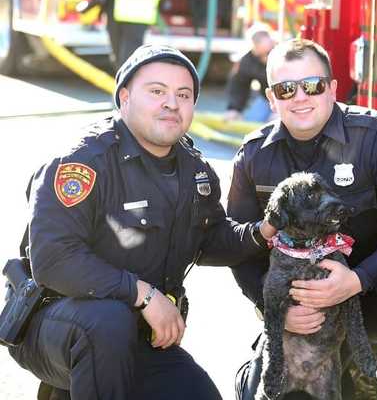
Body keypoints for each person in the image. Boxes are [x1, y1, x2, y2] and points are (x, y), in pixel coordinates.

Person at [8, 45, 270, 400]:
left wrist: (263, 231)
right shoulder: (82, 163)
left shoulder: (195, 171)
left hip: (139, 337)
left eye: (183, 94)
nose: (172, 103)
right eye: (157, 91)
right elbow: (54, 260)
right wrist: (143, 294)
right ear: (124, 97)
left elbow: (210, 240)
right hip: (57, 326)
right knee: (105, 324)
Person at [228, 38, 377, 400]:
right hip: (301, 310)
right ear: (270, 97)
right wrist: (274, 310)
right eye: (286, 89)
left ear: (332, 88)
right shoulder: (254, 156)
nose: (300, 97)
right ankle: (253, 373)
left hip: (372, 293)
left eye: (312, 85)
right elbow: (239, 244)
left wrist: (358, 280)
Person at [224, 24, 276, 122]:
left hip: (287, 98)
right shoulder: (248, 61)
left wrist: (281, 112)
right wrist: (234, 109)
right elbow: (239, 86)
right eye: (263, 55)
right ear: (254, 48)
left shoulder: (284, 58)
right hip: (266, 99)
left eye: (269, 53)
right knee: (252, 122)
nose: (266, 58)